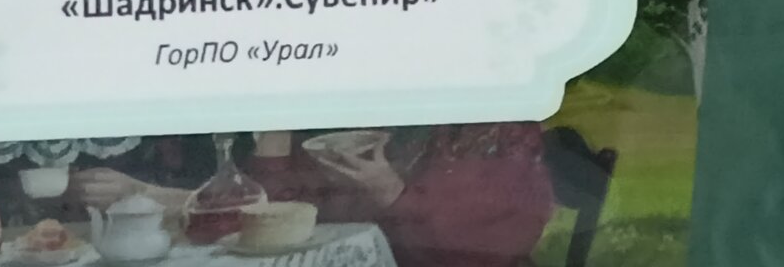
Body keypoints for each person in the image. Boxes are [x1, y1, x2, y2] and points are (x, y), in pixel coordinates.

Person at [73, 125, 554, 267]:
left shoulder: (490, 126)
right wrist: (275, 138)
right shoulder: (332, 105)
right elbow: (276, 213)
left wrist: (391, 191)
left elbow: (491, 243)